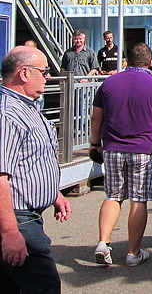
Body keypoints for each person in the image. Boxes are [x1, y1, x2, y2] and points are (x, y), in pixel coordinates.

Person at [90, 43, 152, 267]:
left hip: (112, 148)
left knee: (113, 195)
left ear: (127, 60)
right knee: (138, 200)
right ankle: (133, 252)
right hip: (143, 150)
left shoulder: (108, 83)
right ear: (150, 62)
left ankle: (103, 242)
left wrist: (94, 144)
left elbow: (96, 117)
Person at [0, 46, 71, 293]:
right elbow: (0, 176)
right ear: (24, 73)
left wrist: (54, 193)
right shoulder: (8, 114)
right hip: (18, 218)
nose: (48, 75)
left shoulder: (27, 105)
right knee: (45, 285)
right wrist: (9, 232)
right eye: (43, 71)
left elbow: (32, 159)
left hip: (27, 216)